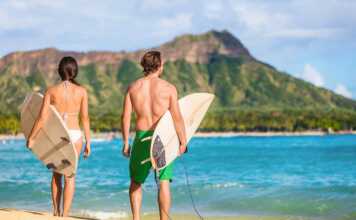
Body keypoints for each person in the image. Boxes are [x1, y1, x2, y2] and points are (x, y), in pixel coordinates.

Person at [121, 51, 187, 220]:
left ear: (144, 66)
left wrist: (126, 142)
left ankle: (136, 218)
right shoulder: (169, 88)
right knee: (163, 181)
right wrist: (182, 141)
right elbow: (177, 118)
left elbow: (126, 116)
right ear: (159, 66)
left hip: (142, 137)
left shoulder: (133, 87)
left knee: (136, 182)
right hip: (162, 139)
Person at [27, 56, 91, 217]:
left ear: (59, 71)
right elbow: (85, 118)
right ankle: (65, 214)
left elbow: (42, 117)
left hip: (58, 134)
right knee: (70, 176)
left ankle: (56, 211)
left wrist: (32, 137)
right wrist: (89, 142)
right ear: (75, 71)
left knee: (56, 175)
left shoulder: (51, 90)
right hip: (76, 135)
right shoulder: (82, 91)